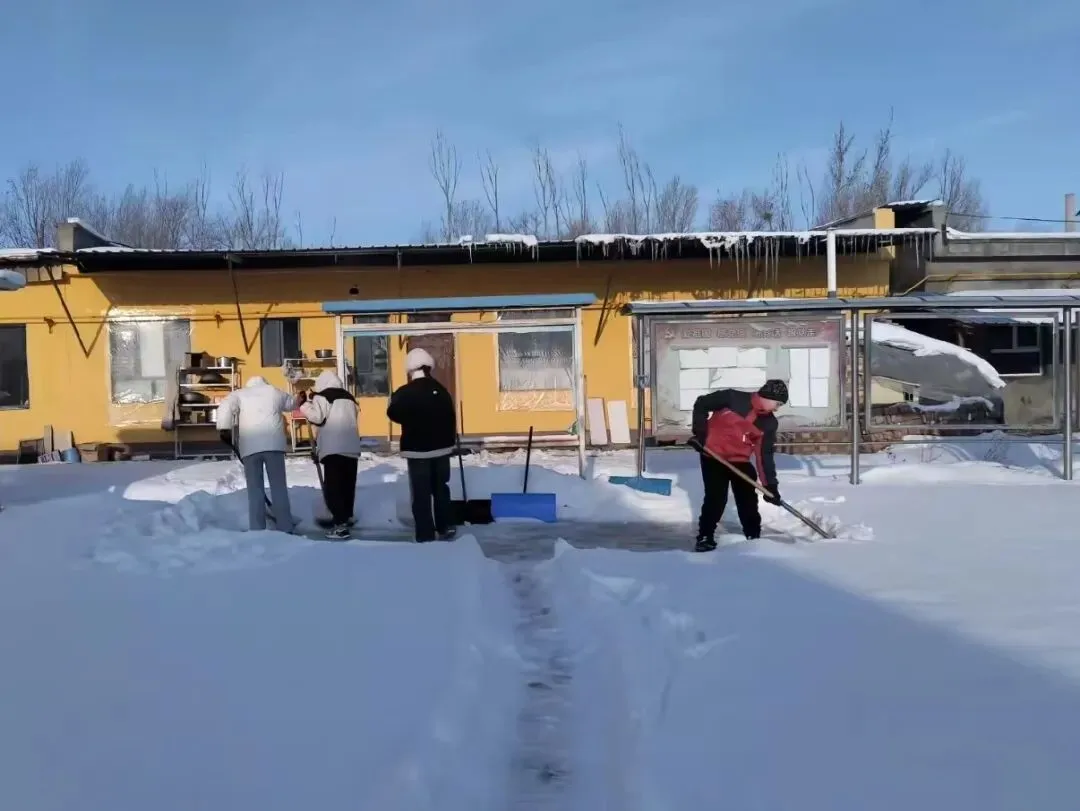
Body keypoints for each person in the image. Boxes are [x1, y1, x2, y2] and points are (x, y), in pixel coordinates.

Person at [690, 378, 788, 552]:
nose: (777, 408)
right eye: (777, 404)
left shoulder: (768, 423)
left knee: (748, 500)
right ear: (768, 396)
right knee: (716, 498)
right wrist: (701, 434)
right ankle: (705, 537)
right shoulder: (732, 398)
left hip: (739, 460)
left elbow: (764, 455)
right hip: (714, 456)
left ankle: (754, 537)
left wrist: (770, 486)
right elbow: (702, 403)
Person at [386, 347, 458, 542]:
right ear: (429, 367)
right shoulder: (441, 390)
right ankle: (445, 526)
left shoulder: (405, 392)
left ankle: (425, 534)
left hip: (417, 451)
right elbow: (450, 417)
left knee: (421, 493)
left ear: (410, 370)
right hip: (441, 449)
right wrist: (450, 442)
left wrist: (392, 403)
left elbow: (394, 413)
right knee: (441, 488)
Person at [216, 376, 304, 533]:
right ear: (265, 382)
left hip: (250, 448)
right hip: (274, 447)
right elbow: (291, 403)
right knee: (279, 488)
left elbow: (225, 405)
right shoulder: (274, 392)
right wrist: (300, 398)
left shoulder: (240, 394)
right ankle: (285, 527)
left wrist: (224, 428)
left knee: (255, 489)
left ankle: (257, 529)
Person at [300, 370, 365, 540]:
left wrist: (305, 405)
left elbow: (318, 417)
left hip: (333, 448)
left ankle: (340, 524)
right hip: (351, 447)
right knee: (347, 485)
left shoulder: (323, 396)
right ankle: (347, 517)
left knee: (334, 487)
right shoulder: (349, 398)